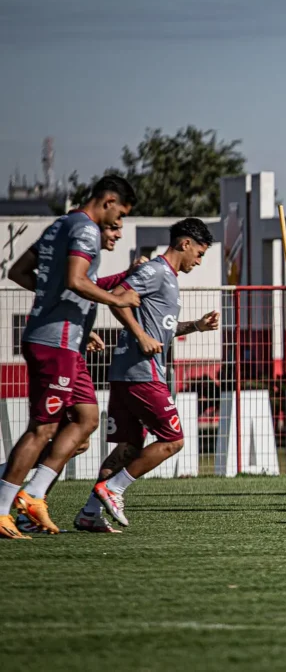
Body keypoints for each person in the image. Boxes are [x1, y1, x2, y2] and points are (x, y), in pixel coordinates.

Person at [0, 176, 140, 540]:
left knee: (86, 419)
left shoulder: (58, 225)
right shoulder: (86, 230)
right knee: (43, 428)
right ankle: (2, 507)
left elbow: (19, 272)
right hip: (55, 343)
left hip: (66, 339)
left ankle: (33, 495)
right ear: (108, 201)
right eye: (119, 215)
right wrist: (116, 300)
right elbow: (77, 280)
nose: (116, 224)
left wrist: (70, 309)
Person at [85, 218, 219, 528]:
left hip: (127, 372)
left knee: (129, 447)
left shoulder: (169, 278)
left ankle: (91, 512)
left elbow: (162, 332)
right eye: (199, 253)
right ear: (184, 244)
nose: (199, 261)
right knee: (174, 440)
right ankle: (113, 489)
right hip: (142, 373)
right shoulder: (157, 271)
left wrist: (196, 326)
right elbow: (117, 298)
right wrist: (140, 336)